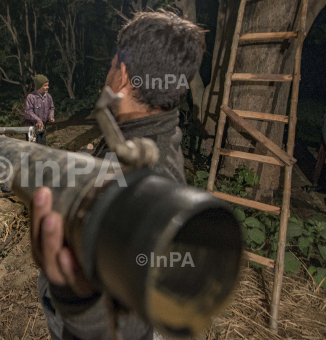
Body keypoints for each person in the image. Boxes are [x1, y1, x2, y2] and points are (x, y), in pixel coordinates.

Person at [30, 11, 205, 339]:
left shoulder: (152, 178)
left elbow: (132, 323)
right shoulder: (140, 136)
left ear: (122, 76)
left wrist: (77, 301)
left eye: (112, 65)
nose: (108, 74)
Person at [25, 74, 55, 145]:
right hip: (31, 128)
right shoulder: (31, 97)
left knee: (42, 148)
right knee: (32, 148)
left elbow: (51, 108)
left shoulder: (48, 97)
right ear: (39, 86)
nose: (47, 87)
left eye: (47, 85)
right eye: (45, 85)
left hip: (42, 127)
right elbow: (28, 111)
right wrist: (37, 120)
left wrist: (51, 116)